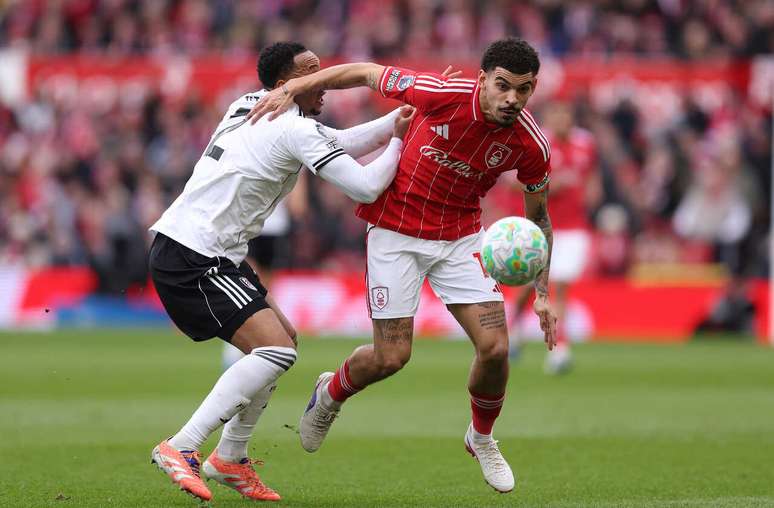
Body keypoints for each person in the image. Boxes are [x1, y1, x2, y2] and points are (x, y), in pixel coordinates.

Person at [249, 37, 558, 494]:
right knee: (391, 357)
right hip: (396, 231)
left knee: (495, 348)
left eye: (524, 89)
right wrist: (296, 89)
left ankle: (482, 437)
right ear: (483, 80)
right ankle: (331, 392)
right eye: (503, 86)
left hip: (461, 238)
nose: (512, 98)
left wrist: (543, 294)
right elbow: (365, 71)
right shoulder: (441, 93)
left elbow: (539, 221)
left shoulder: (530, 143)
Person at [147, 41, 415, 502]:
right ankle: (182, 446)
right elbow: (368, 187)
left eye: (321, 71)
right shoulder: (294, 129)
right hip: (195, 256)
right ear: (283, 85)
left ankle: (230, 457)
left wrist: (398, 119)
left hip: (201, 249)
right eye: (310, 74)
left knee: (282, 343)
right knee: (276, 351)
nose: (323, 81)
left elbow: (337, 142)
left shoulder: (248, 104)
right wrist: (397, 138)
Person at [509, 101, 599, 374]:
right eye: (557, 113)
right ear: (549, 117)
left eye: (566, 112)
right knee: (530, 287)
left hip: (574, 229)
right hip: (540, 226)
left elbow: (592, 175)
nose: (562, 118)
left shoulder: (586, 143)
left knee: (560, 285)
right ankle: (514, 330)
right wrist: (551, 186)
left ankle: (559, 350)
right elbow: (514, 182)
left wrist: (594, 193)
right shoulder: (538, 143)